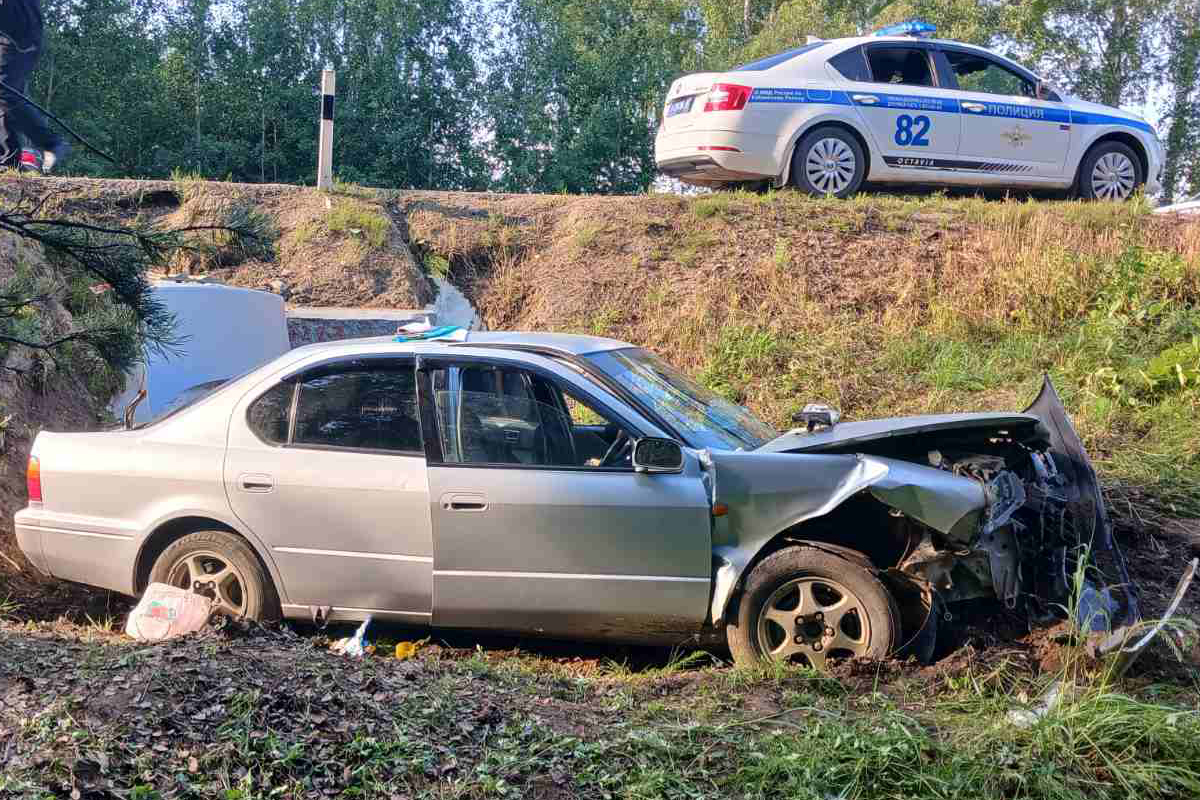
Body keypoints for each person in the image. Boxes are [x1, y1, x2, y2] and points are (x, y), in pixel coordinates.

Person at [0, 0, 68, 172]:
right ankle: (9, 161)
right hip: (10, 28)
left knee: (6, 91)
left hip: (20, 31)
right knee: (8, 94)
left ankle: (51, 144)